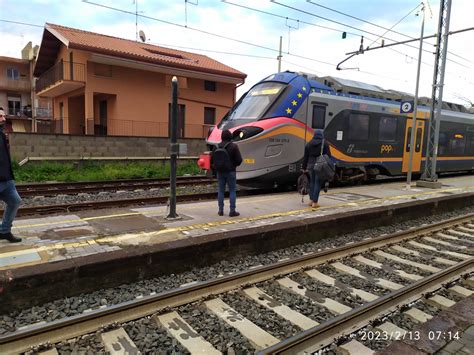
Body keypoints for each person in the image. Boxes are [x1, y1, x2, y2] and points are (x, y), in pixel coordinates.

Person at [0, 109, 22, 243]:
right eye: (0, 116)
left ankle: (4, 231)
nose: (3, 119)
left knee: (15, 201)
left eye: (3, 116)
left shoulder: (2, 134)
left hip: (6, 179)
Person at [212, 129, 242, 217]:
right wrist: (233, 165)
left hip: (220, 172)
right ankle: (232, 211)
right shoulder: (233, 146)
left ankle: (220, 210)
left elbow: (212, 160)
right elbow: (239, 160)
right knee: (232, 191)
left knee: (221, 190)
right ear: (230, 136)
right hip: (231, 172)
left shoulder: (216, 147)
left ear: (222, 137)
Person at [302, 129, 332, 208]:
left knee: (312, 182)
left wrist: (304, 168)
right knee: (317, 183)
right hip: (320, 166)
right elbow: (329, 156)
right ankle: (315, 202)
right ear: (321, 135)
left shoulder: (309, 144)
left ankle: (311, 200)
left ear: (314, 135)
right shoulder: (324, 144)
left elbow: (305, 157)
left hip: (311, 165)